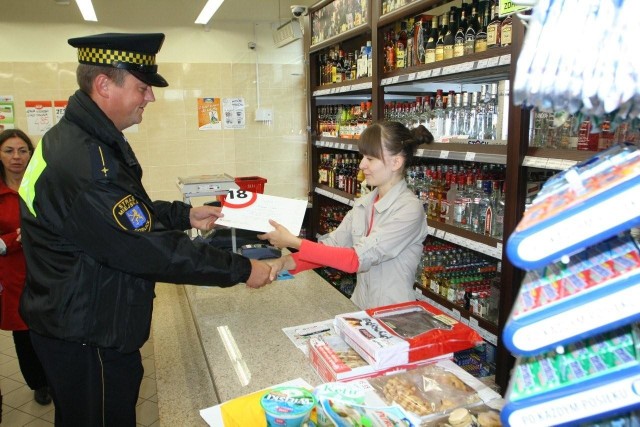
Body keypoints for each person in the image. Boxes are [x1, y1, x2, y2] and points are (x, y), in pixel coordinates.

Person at [17, 33, 276, 426]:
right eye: (142, 87)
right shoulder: (86, 161)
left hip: (78, 318)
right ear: (104, 85)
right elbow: (146, 249)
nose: (150, 98)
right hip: (89, 333)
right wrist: (241, 268)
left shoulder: (85, 141)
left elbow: (121, 214)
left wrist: (181, 215)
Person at [259, 121, 432, 309]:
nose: (362, 164)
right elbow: (330, 247)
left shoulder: (409, 210)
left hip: (393, 316)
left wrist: (293, 242)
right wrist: (283, 263)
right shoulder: (364, 204)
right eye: (363, 156)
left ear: (396, 162)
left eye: (371, 158)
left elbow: (355, 259)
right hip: (360, 309)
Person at [0, 129, 51, 406]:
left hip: (46, 268)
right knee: (24, 333)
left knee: (51, 328)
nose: (16, 157)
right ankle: (38, 383)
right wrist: (13, 240)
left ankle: (56, 377)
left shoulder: (40, 184)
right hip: (13, 274)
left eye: (22, 150)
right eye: (9, 150)